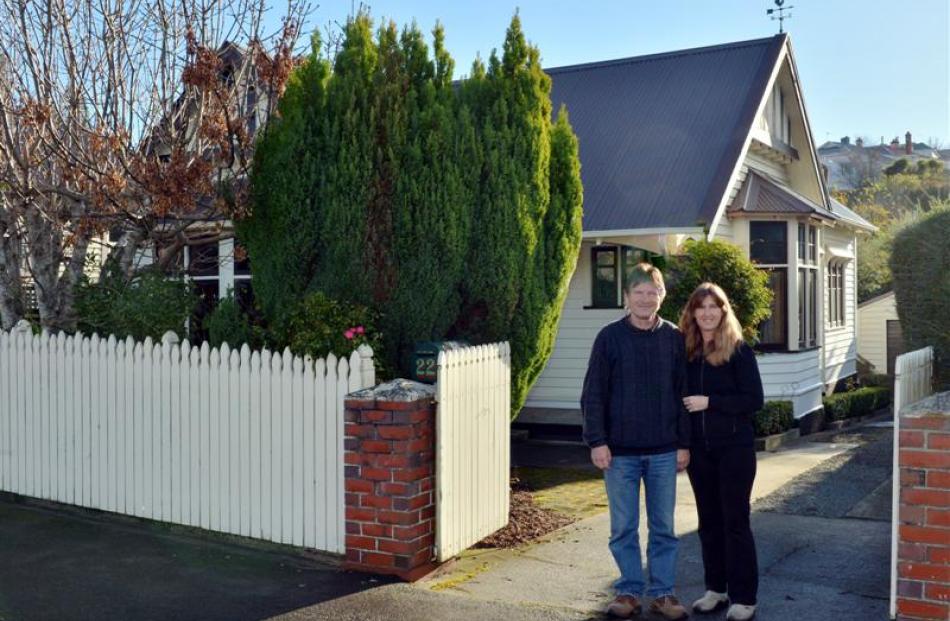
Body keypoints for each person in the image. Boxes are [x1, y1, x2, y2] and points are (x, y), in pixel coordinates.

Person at [581, 263, 691, 620]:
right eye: (638, 292)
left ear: (662, 296)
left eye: (652, 292)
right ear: (627, 297)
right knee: (623, 527)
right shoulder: (609, 338)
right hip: (619, 454)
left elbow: (684, 395)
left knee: (664, 528)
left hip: (663, 451)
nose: (645, 299)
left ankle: (662, 594)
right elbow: (593, 394)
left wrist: (683, 444)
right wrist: (597, 441)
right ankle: (628, 592)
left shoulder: (674, 338)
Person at [679, 283, 764, 621]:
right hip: (701, 453)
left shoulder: (739, 350)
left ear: (724, 311)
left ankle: (745, 598)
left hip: (735, 450)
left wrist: (710, 403)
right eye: (701, 306)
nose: (708, 312)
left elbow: (753, 400)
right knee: (709, 523)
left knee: (735, 523)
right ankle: (716, 589)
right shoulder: (687, 352)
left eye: (715, 306)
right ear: (693, 312)